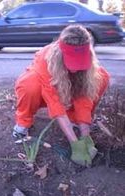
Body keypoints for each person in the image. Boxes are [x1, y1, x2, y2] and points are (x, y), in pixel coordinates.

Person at [13, 25, 110, 167]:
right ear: (60, 54)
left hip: (67, 89)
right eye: (73, 62)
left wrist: (85, 135)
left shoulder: (87, 62)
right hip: (44, 91)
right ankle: (23, 121)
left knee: (101, 77)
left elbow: (84, 97)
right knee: (29, 85)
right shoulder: (45, 60)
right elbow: (55, 104)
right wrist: (74, 143)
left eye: (80, 62)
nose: (77, 68)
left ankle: (74, 118)